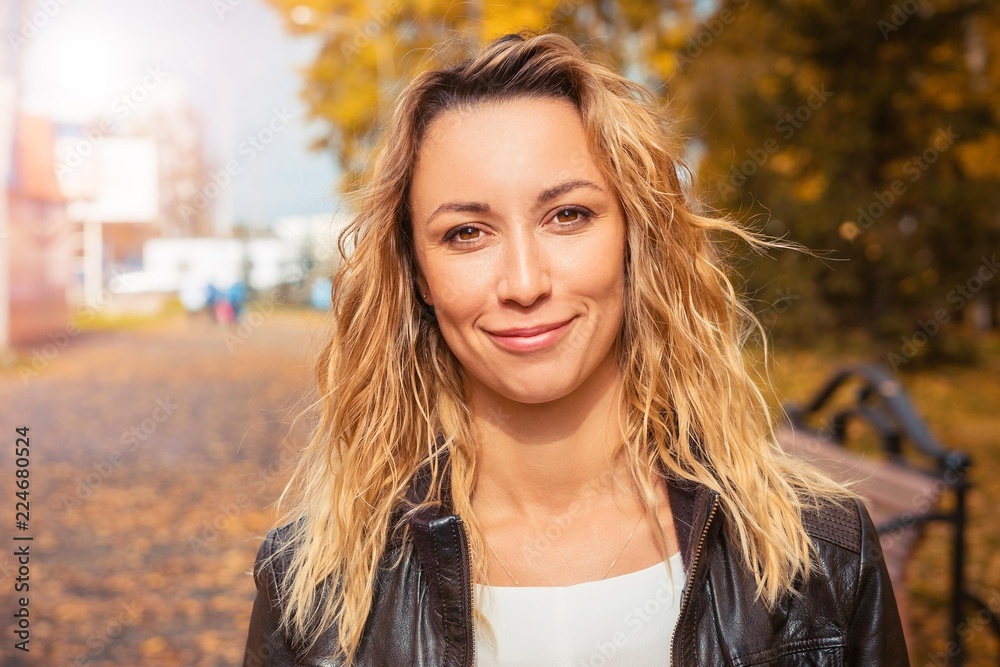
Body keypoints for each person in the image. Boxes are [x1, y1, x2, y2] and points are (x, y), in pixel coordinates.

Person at [242, 31, 909, 666]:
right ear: (416, 270)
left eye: (568, 215)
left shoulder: (820, 556)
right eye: (468, 232)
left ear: (633, 238)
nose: (525, 283)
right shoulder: (315, 586)